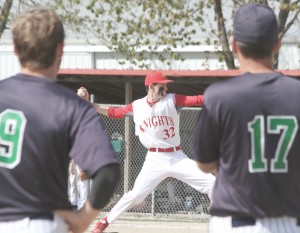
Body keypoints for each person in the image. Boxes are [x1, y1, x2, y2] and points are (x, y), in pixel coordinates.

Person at [0, 7, 120, 233]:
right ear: (60, 49)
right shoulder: (72, 106)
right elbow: (108, 171)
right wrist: (84, 218)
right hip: (42, 222)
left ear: (15, 50)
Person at [192, 3, 300, 233]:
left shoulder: (219, 96)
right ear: (277, 45)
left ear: (234, 45)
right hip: (289, 222)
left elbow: (205, 164)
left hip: (233, 222)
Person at [78, 70, 216, 233]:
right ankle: (103, 223)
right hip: (154, 159)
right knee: (136, 196)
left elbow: (197, 100)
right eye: (161, 86)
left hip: (177, 157)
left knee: (214, 183)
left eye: (165, 85)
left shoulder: (172, 100)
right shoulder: (137, 106)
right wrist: (91, 105)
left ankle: (220, 223)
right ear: (151, 87)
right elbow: (114, 113)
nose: (165, 88)